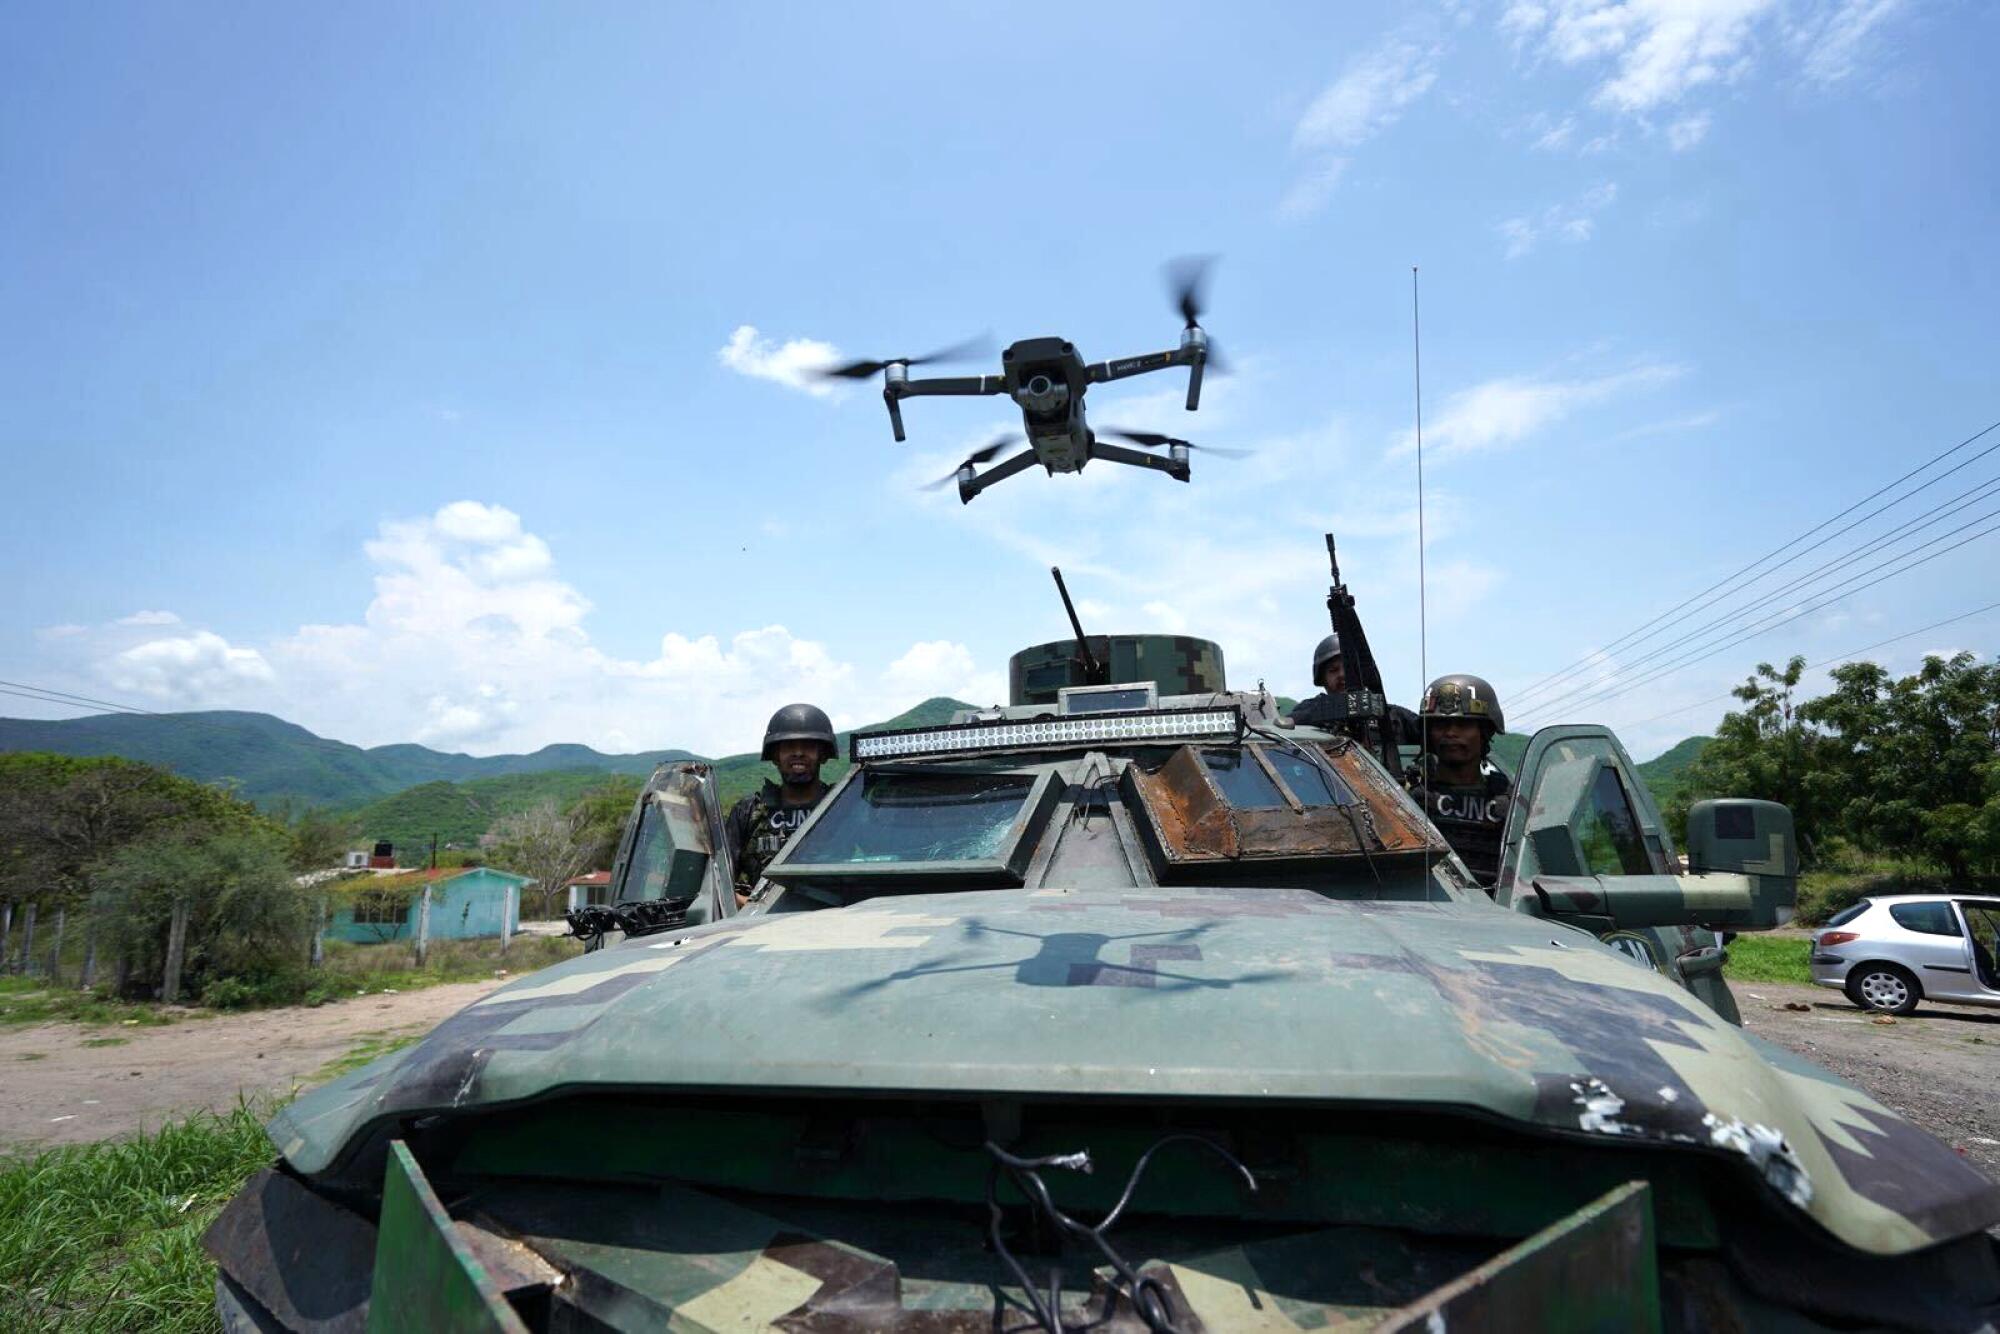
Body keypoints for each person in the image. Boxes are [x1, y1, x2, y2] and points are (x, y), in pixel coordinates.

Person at [1404, 674, 1512, 888]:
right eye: (1441, 725)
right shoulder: (1407, 800)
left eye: (1463, 725)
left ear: (1485, 732)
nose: (1451, 733)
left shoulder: (1510, 802)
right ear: (1428, 734)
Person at [725, 703, 837, 904]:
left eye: (808, 746)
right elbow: (719, 881)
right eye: (788, 747)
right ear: (775, 756)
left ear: (822, 754)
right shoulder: (748, 812)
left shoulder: (840, 806)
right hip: (762, 924)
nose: (798, 753)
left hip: (830, 918)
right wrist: (750, 906)